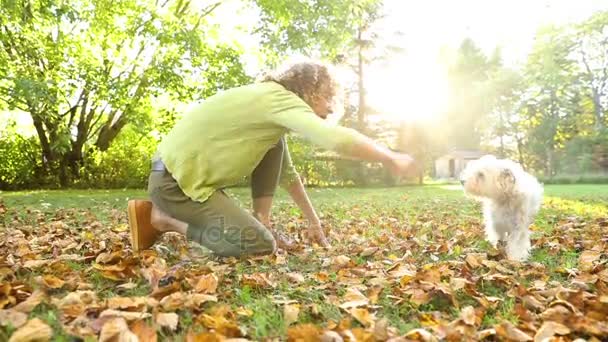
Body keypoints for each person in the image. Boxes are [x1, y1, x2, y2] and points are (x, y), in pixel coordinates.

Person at [127, 59, 417, 257]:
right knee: (258, 244)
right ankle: (163, 220)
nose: (330, 108)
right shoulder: (280, 100)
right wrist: (389, 157)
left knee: (275, 145)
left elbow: (287, 173)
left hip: (173, 176)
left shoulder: (268, 105)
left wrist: (313, 222)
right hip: (175, 185)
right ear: (308, 89)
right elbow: (335, 138)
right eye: (327, 96)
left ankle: (260, 218)